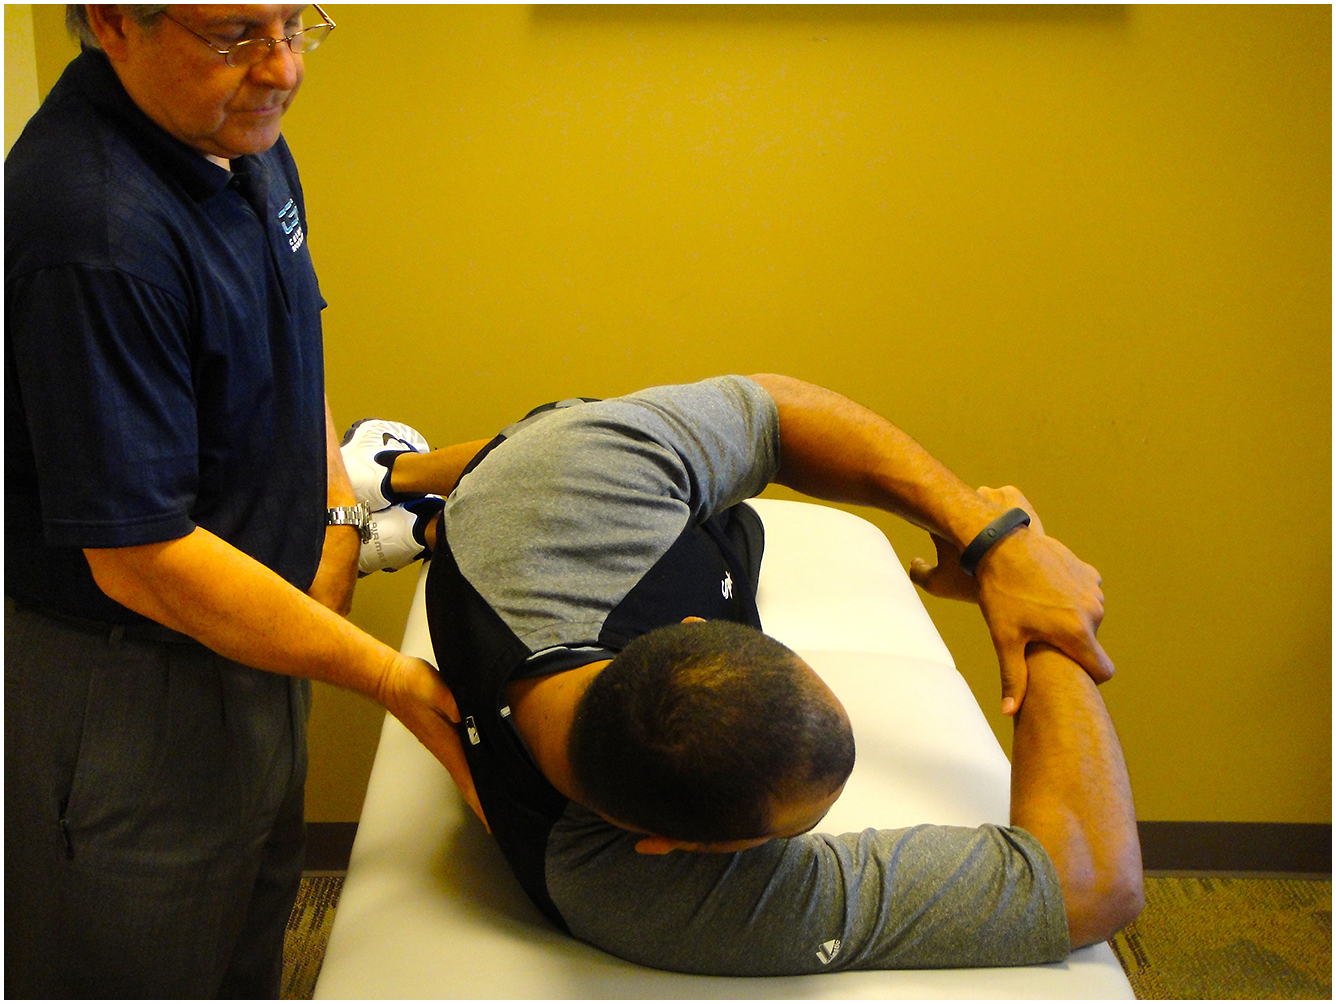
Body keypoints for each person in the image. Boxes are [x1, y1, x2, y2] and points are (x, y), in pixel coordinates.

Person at [343, 374, 1143, 975]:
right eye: (788, 832)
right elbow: (1088, 887)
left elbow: (775, 412)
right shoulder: (625, 890)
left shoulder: (568, 488)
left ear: (696, 632)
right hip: (592, 536)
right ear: (667, 847)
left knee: (556, 433)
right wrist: (1049, 631)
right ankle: (420, 508)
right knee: (570, 449)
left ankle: (404, 483)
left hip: (541, 497)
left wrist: (998, 544)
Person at [4, 6, 478, 997]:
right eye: (234, 38)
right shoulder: (92, 229)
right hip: (130, 677)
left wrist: (338, 515)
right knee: (144, 958)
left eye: (295, 24)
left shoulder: (237, 134)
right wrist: (388, 678)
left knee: (249, 928)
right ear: (112, 22)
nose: (282, 70)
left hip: (263, 630)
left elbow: (290, 339)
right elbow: (142, 558)